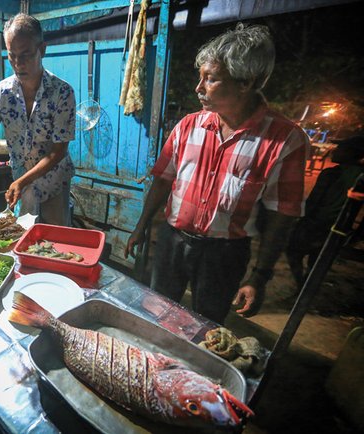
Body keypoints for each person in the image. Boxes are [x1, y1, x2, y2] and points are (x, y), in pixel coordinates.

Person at [125, 23, 310, 324]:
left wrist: (258, 277)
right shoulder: (188, 125)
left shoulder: (285, 140)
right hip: (173, 242)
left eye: (210, 79)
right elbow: (163, 179)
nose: (199, 88)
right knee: (157, 314)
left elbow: (283, 215)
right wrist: (142, 226)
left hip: (224, 255)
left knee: (205, 325)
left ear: (245, 82)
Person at [0, 13, 76, 226]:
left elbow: (58, 150)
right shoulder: (0, 93)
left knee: (56, 242)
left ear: (42, 50)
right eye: (12, 55)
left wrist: (22, 181)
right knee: (23, 238)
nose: (18, 63)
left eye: (25, 55)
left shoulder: (62, 93)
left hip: (54, 182)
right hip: (21, 182)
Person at [286, 135, 364, 291]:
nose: (335, 151)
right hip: (339, 229)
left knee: (293, 252)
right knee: (317, 262)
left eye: (341, 148)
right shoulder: (361, 177)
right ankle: (306, 289)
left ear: (352, 153)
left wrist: (300, 221)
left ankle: (302, 286)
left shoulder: (331, 174)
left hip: (317, 224)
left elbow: (313, 202)